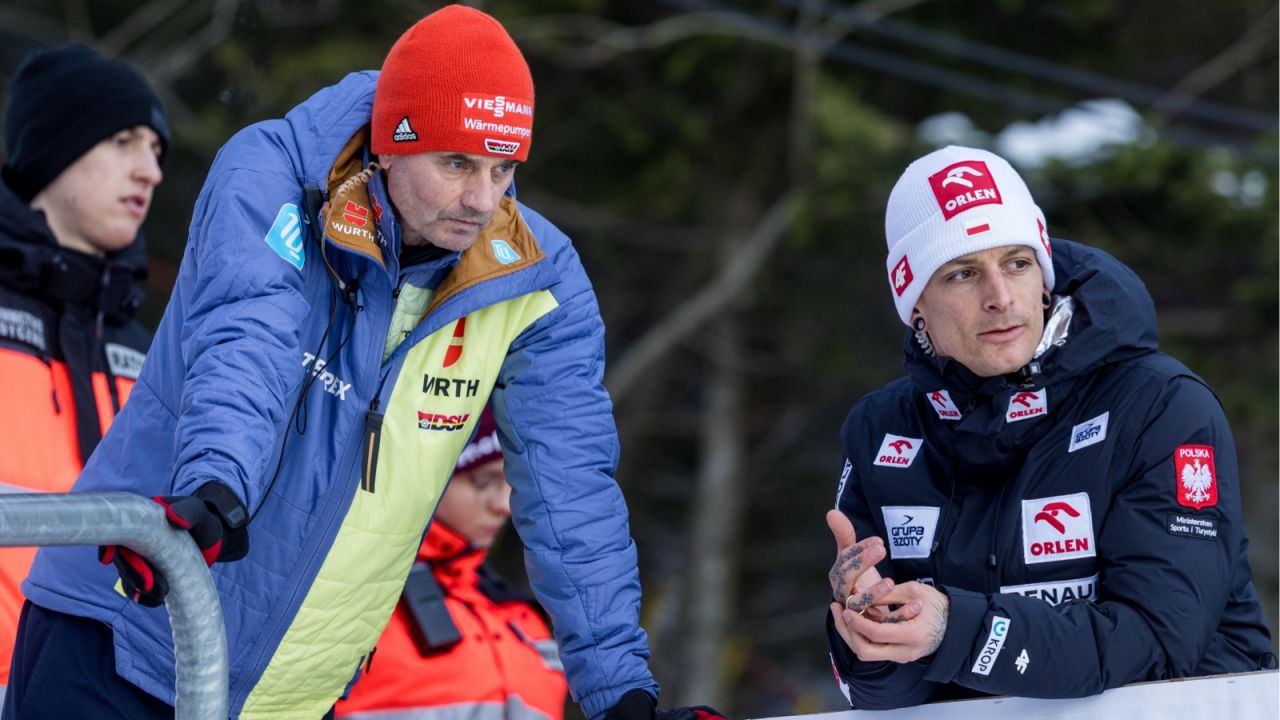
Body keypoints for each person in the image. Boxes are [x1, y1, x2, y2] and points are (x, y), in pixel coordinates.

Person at [7, 7, 720, 720]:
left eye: (504, 169)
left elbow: (572, 491)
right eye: (456, 163)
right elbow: (247, 338)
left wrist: (620, 695)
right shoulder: (275, 173)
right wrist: (212, 492)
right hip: (121, 639)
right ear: (393, 142)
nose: (482, 200)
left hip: (289, 695)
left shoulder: (536, 275)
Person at [824, 145, 1275, 710]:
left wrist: (956, 631)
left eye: (1017, 262)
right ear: (915, 304)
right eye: (963, 273)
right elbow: (889, 692)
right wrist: (876, 635)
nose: (1000, 297)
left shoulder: (1159, 405)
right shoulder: (879, 430)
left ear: (1044, 277)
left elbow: (1162, 643)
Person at [0, 44, 167, 699]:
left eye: (156, 150)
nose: (150, 170)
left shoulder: (152, 351)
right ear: (54, 148)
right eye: (124, 141)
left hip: (96, 697)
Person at [335, 405, 567, 720]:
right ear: (429, 477)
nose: (504, 505)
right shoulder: (344, 596)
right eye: (483, 481)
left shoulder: (525, 619)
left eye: (513, 482)